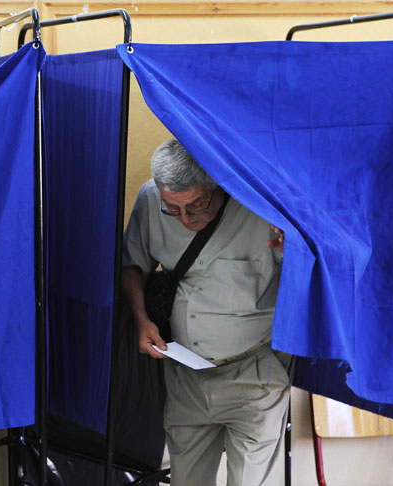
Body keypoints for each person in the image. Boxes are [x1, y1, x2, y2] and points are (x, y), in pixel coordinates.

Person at [121, 138, 290, 486]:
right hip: (185, 373)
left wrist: (296, 253)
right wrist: (141, 319)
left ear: (216, 184)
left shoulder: (262, 206)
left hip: (254, 372)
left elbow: (313, 280)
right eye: (173, 208)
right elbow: (131, 265)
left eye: (196, 205)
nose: (184, 218)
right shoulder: (151, 199)